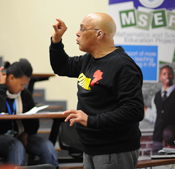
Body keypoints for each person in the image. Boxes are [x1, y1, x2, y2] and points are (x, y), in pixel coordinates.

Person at [50, 13, 144, 169]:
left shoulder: (123, 66)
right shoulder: (89, 59)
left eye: (82, 28)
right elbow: (62, 66)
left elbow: (134, 111)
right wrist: (56, 41)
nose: (77, 33)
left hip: (114, 149)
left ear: (99, 34)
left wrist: (90, 120)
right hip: (90, 147)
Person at [0, 59, 58, 168]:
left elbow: (33, 122)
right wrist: (2, 88)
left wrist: (26, 134)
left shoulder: (24, 94)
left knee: (47, 146)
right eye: (21, 84)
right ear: (11, 78)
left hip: (19, 135)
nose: (23, 88)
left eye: (25, 85)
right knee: (16, 145)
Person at [144, 65, 175, 153]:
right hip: (158, 139)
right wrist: (144, 108)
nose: (167, 76)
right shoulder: (156, 96)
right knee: (156, 164)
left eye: (170, 73)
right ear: (160, 77)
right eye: (164, 74)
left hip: (172, 141)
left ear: (173, 75)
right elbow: (155, 117)